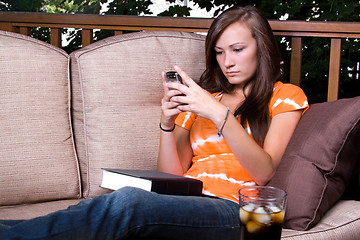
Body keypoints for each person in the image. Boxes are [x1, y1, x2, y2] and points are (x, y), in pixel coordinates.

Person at [0, 5, 308, 240]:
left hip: (237, 210)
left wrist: (216, 113)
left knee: (128, 204)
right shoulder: (201, 100)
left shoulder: (284, 97)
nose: (227, 62)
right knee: (123, 204)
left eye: (238, 50)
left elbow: (265, 172)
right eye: (218, 52)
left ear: (263, 48)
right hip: (188, 200)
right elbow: (171, 176)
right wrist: (167, 122)